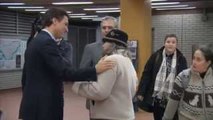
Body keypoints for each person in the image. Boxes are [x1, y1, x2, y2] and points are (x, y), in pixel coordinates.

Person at [19, 8, 114, 120]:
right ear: (54, 21)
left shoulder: (36, 40)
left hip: (35, 104)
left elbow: (26, 77)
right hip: (43, 107)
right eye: (65, 24)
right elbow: (64, 71)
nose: (67, 29)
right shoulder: (46, 43)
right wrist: (95, 70)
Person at [72, 29, 138, 120]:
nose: (102, 45)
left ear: (113, 44)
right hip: (125, 115)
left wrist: (78, 84)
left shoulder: (111, 60)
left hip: (108, 115)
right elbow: (133, 90)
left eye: (106, 42)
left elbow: (100, 92)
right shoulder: (127, 61)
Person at [136, 34, 187, 120]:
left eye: (173, 42)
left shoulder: (181, 58)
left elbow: (184, 78)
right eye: (168, 42)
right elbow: (146, 74)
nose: (170, 44)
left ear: (176, 45)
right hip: (158, 97)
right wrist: (141, 91)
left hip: (173, 97)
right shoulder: (155, 56)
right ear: (164, 43)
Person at [162, 44, 213, 120]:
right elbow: (171, 106)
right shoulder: (183, 77)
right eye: (194, 58)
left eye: (198, 59)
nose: (194, 62)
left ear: (208, 63)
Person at [79, 16, 118, 113]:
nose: (106, 30)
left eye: (110, 28)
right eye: (104, 28)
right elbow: (82, 72)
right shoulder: (91, 48)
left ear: (116, 30)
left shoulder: (123, 49)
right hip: (96, 98)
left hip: (117, 99)